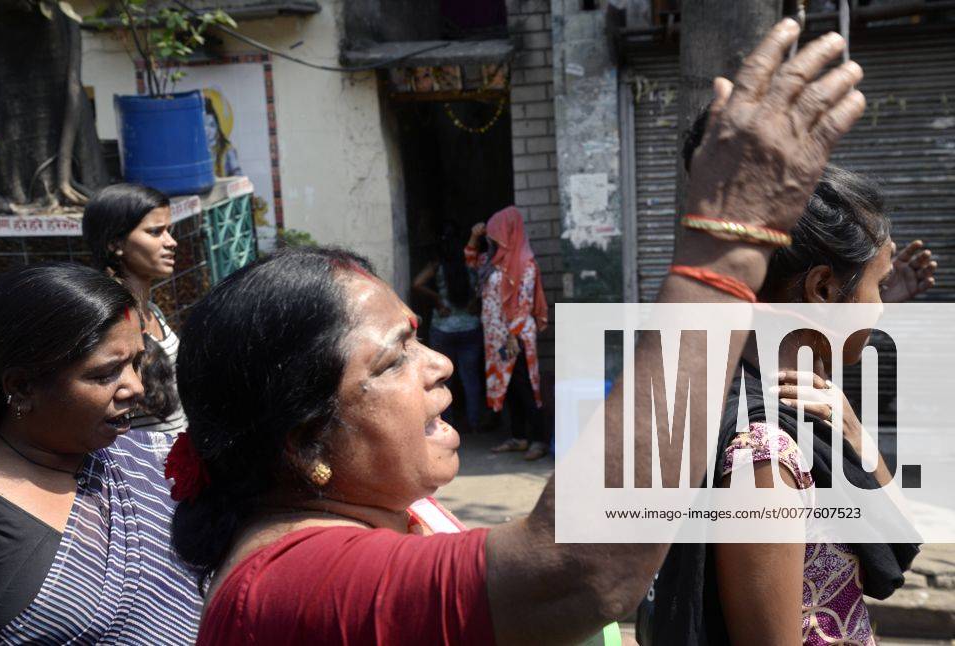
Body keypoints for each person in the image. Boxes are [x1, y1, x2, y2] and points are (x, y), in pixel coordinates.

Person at [169, 20, 868, 645]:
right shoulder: (293, 586)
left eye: (418, 339)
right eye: (392, 361)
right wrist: (727, 242)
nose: (439, 365)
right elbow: (581, 571)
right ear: (304, 443)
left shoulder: (380, 521)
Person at [650, 114, 931, 645]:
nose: (882, 308)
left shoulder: (798, 400)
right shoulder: (767, 459)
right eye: (879, 286)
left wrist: (856, 434)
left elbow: (898, 539)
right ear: (824, 289)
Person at [0, 263, 201, 643]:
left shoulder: (147, 462)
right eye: (106, 374)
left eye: (136, 362)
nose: (135, 387)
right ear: (22, 387)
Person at [83, 183, 186, 462]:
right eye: (155, 232)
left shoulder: (152, 311)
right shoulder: (108, 321)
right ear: (115, 244)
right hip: (142, 473)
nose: (171, 242)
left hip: (175, 466)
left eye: (169, 230)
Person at [466, 206, 550, 460]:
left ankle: (539, 439)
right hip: (496, 337)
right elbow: (470, 262)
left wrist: (513, 335)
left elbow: (523, 301)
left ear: (508, 232)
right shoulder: (492, 261)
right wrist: (474, 237)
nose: (493, 238)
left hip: (516, 337)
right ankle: (518, 437)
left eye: (496, 233)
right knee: (509, 386)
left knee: (525, 386)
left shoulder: (525, 263)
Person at [412, 221, 485, 433]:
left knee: (444, 381)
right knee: (471, 378)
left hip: (443, 329)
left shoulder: (438, 265)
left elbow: (417, 283)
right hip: (470, 327)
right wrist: (475, 301)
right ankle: (474, 422)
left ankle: (447, 424)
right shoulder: (472, 263)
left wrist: (438, 299)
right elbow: (486, 283)